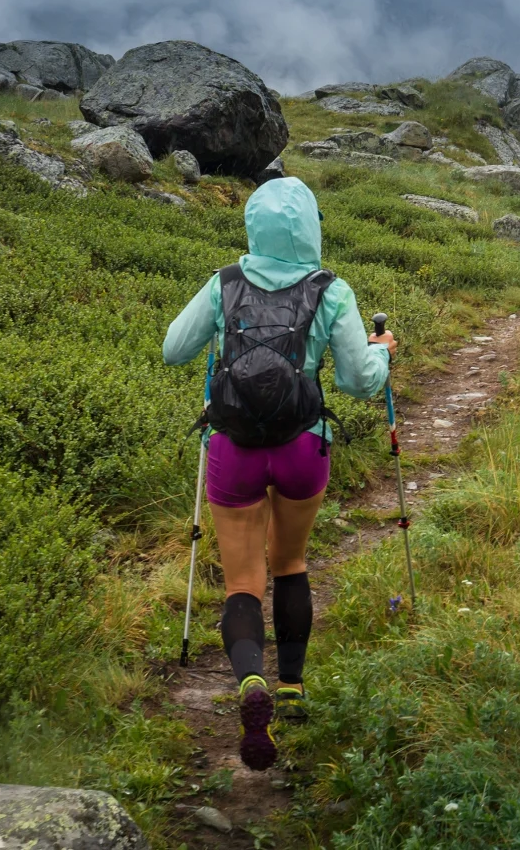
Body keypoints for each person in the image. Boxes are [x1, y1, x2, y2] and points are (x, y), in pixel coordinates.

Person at [163, 177, 395, 771]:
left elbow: (173, 350)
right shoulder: (332, 290)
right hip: (301, 446)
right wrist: (383, 352)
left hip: (233, 447)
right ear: (311, 226)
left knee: (243, 581)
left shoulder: (223, 283)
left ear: (253, 224)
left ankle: (250, 682)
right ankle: (291, 687)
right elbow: (358, 382)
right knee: (289, 563)